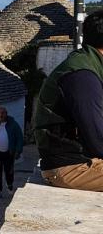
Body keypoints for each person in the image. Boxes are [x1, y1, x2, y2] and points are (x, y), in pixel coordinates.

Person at [34, 10, 103, 191]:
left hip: (78, 161)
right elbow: (98, 140)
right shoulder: (82, 76)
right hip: (71, 167)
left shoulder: (87, 65)